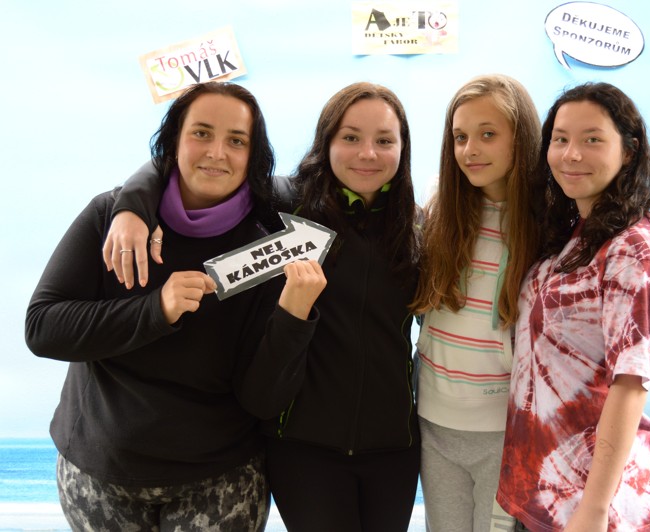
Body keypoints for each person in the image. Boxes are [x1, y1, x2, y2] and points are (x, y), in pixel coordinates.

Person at [102, 81, 422, 531]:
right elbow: (184, 166)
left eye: (384, 141)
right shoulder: (283, 203)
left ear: (403, 148)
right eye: (350, 137)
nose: (367, 153)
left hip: (395, 449)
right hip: (303, 450)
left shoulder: (417, 227)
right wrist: (131, 208)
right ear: (326, 141)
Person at [25, 81, 326, 531]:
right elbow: (43, 328)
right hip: (100, 470)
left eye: (237, 141)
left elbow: (262, 399)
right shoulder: (111, 216)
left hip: (219, 476)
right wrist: (155, 310)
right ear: (173, 142)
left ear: (253, 155)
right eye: (201, 133)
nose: (217, 153)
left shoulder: (269, 244)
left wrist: (293, 317)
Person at [497, 82, 650, 531]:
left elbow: (631, 384)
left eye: (592, 139)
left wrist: (595, 508)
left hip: (592, 502)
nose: (572, 154)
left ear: (629, 151)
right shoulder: (576, 234)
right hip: (543, 489)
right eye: (560, 139)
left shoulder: (634, 249)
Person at [408, 74, 541, 531]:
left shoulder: (546, 225)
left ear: (521, 138)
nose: (470, 150)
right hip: (434, 420)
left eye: (488, 134)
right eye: (460, 137)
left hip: (505, 431)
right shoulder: (438, 208)